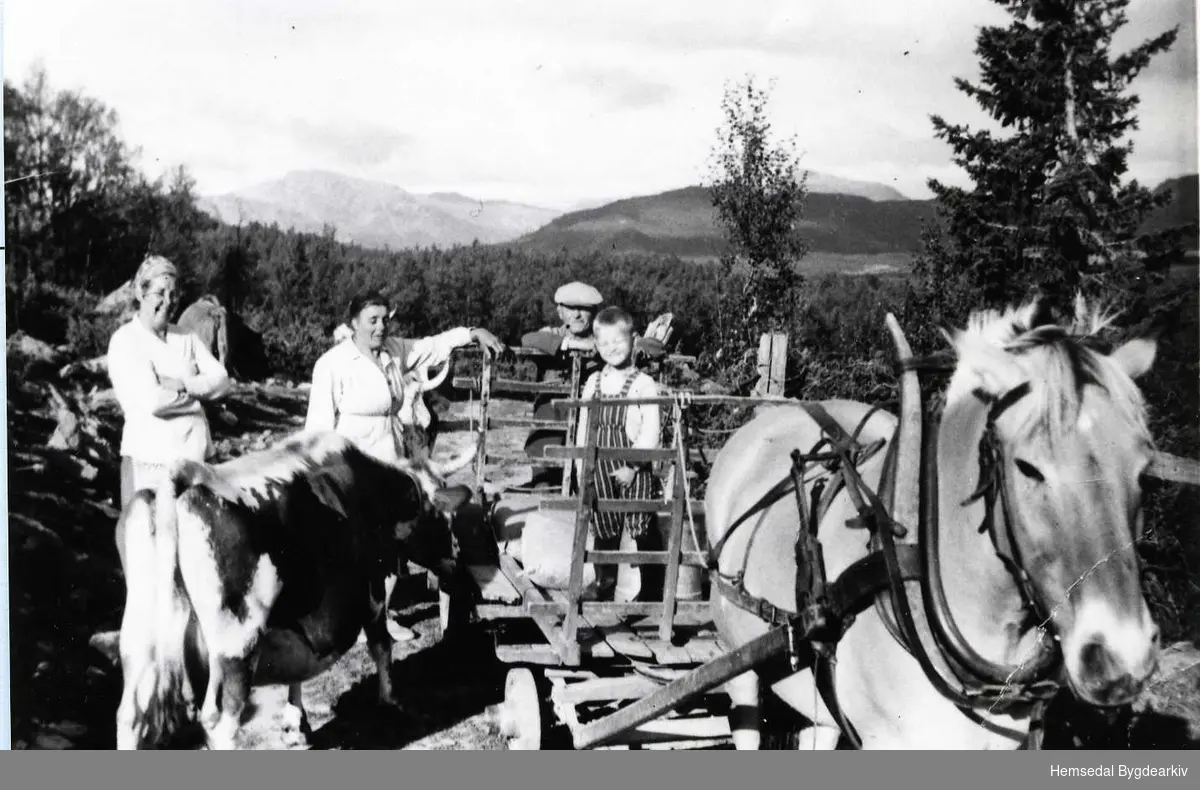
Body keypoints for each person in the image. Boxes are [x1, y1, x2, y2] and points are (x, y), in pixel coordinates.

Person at [305, 289, 505, 639]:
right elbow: (318, 429)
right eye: (372, 321)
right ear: (353, 323)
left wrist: (472, 333)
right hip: (350, 466)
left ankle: (379, 619)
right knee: (353, 546)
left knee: (389, 545)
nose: (381, 327)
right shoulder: (332, 365)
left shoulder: (394, 351)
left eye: (385, 319)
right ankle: (346, 618)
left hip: (390, 464)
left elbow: (434, 344)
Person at [107, 254, 232, 571]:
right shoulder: (126, 341)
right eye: (159, 293)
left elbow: (222, 381)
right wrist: (198, 396)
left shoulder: (185, 337)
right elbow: (153, 401)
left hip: (194, 460)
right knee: (148, 557)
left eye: (173, 294)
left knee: (196, 557)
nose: (168, 301)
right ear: (140, 293)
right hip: (150, 462)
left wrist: (182, 383)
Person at [519, 281, 667, 489]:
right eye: (570, 309)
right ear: (560, 312)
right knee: (544, 486)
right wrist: (572, 345)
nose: (577, 315)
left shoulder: (607, 340)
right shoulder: (552, 335)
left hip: (593, 429)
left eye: (584, 309)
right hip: (550, 429)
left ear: (595, 312)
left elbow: (656, 348)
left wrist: (638, 347)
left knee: (592, 486)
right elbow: (528, 338)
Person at [573, 306, 664, 602]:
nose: (612, 348)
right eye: (605, 343)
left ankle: (652, 589)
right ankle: (604, 583)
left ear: (634, 340)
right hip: (598, 466)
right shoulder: (593, 382)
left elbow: (651, 431)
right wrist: (580, 465)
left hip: (633, 467)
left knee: (642, 525)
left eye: (619, 340)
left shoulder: (642, 384)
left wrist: (634, 467)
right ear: (596, 346)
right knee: (605, 525)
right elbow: (584, 426)